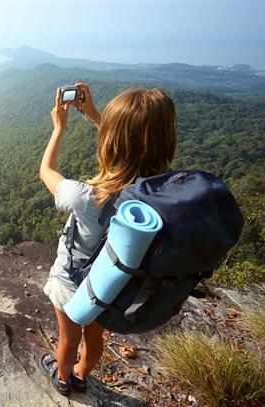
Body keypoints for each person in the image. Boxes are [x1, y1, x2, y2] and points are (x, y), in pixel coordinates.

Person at [38, 84, 177, 395]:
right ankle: (83, 375)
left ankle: (62, 378)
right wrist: (93, 114)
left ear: (111, 142)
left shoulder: (83, 196)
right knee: (95, 336)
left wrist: (59, 128)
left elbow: (45, 170)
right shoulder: (157, 191)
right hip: (111, 285)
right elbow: (132, 150)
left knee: (68, 339)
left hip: (71, 283)